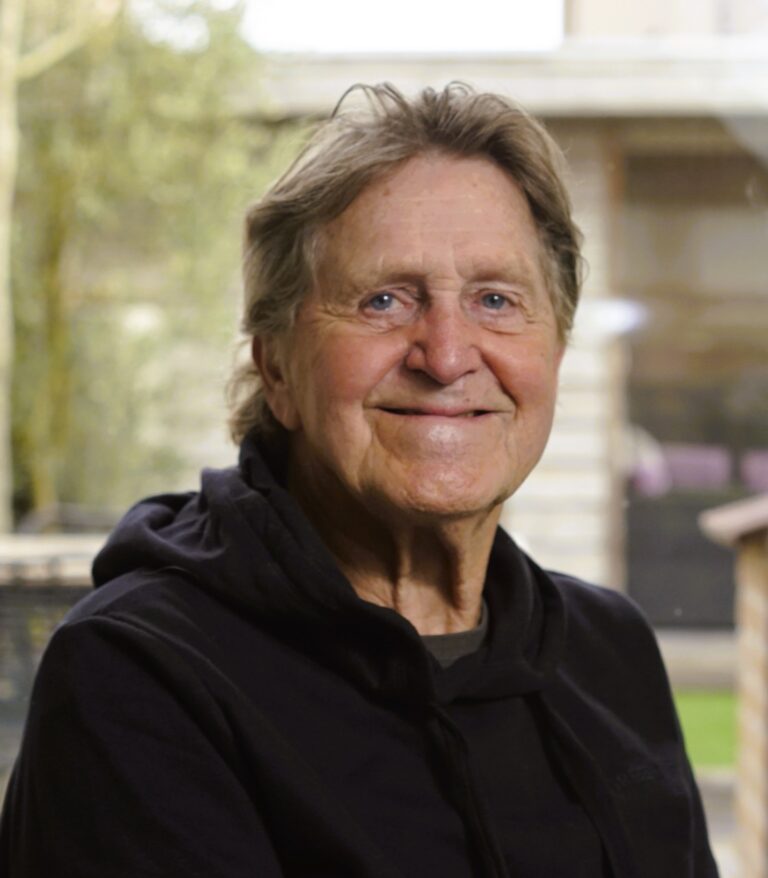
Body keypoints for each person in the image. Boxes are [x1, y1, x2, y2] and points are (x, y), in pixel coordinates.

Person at [0, 83, 718, 877]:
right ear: (277, 368)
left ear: (553, 351)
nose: (447, 356)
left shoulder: (608, 651)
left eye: (495, 299)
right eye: (383, 300)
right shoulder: (138, 676)